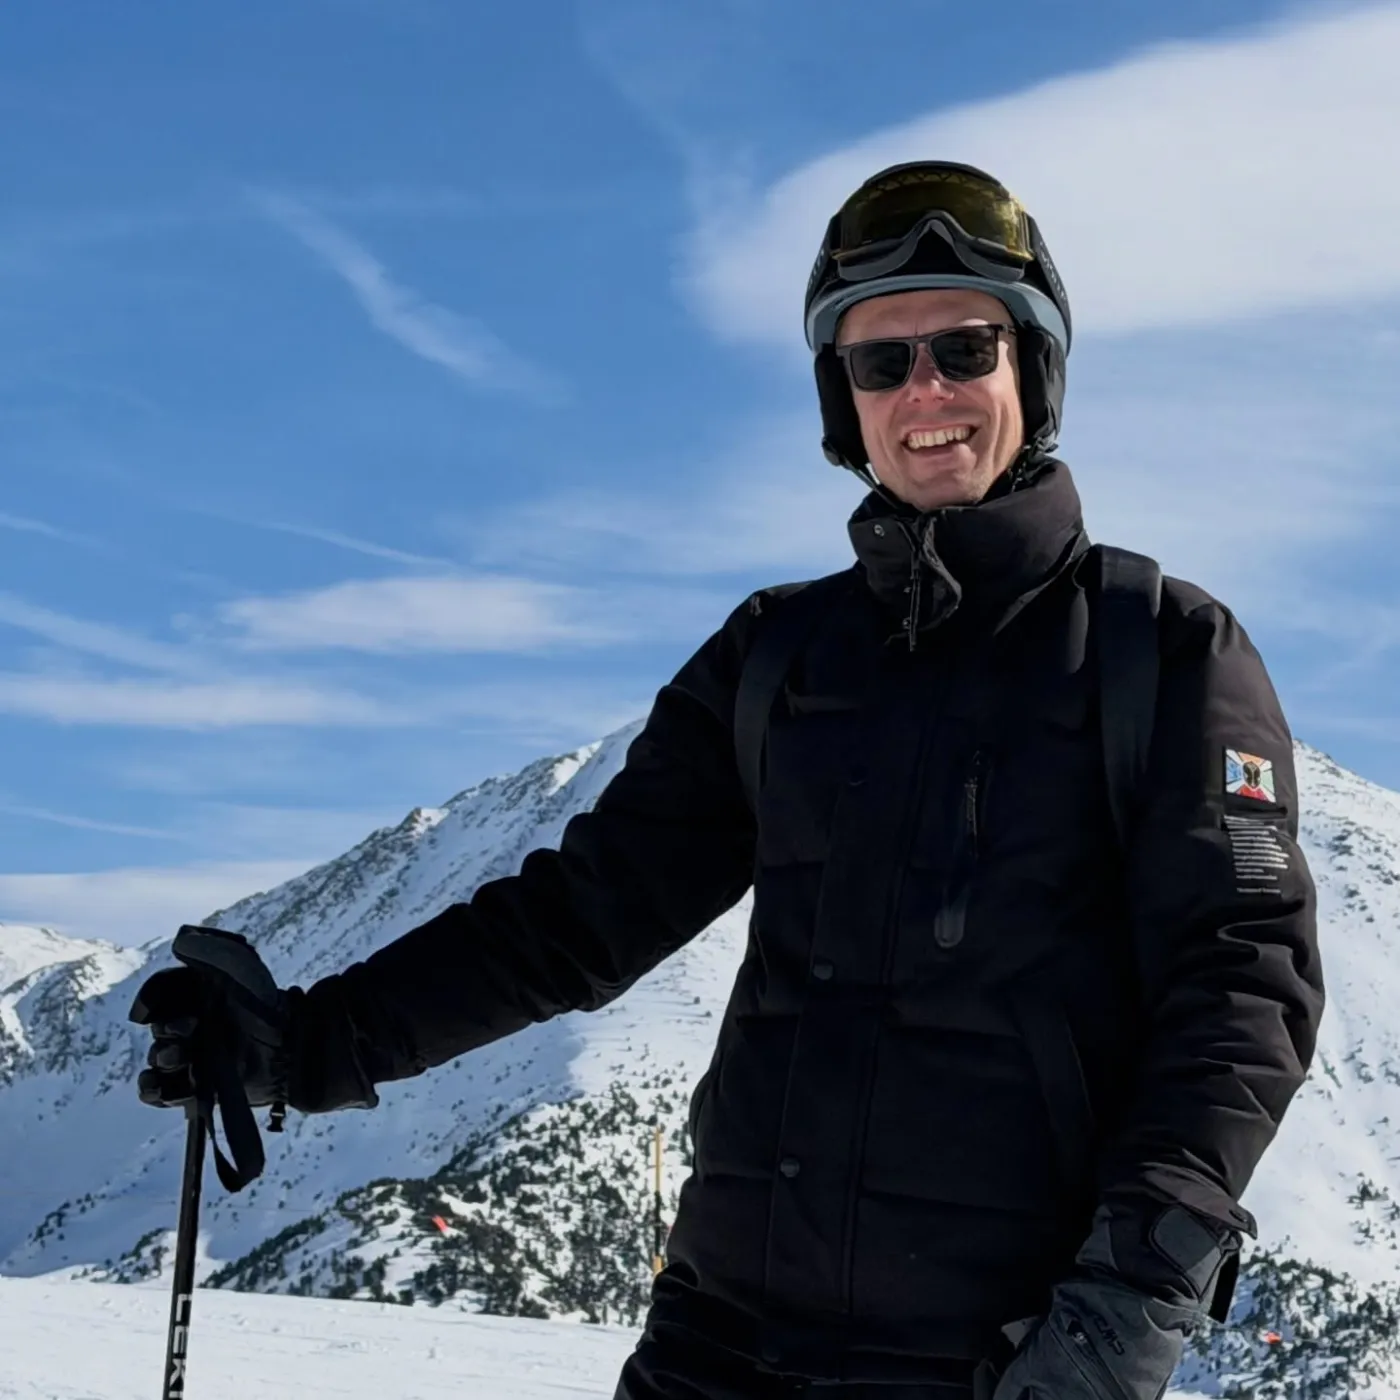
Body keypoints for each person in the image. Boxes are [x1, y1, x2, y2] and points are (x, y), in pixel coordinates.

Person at [129, 162, 1324, 1400]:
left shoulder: (1157, 649)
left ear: (1031, 368)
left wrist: (1128, 1302)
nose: (924, 391)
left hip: (994, 1357)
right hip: (715, 1346)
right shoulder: (776, 656)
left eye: (964, 348)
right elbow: (578, 917)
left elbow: (1243, 983)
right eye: (880, 361)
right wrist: (305, 1043)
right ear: (843, 401)